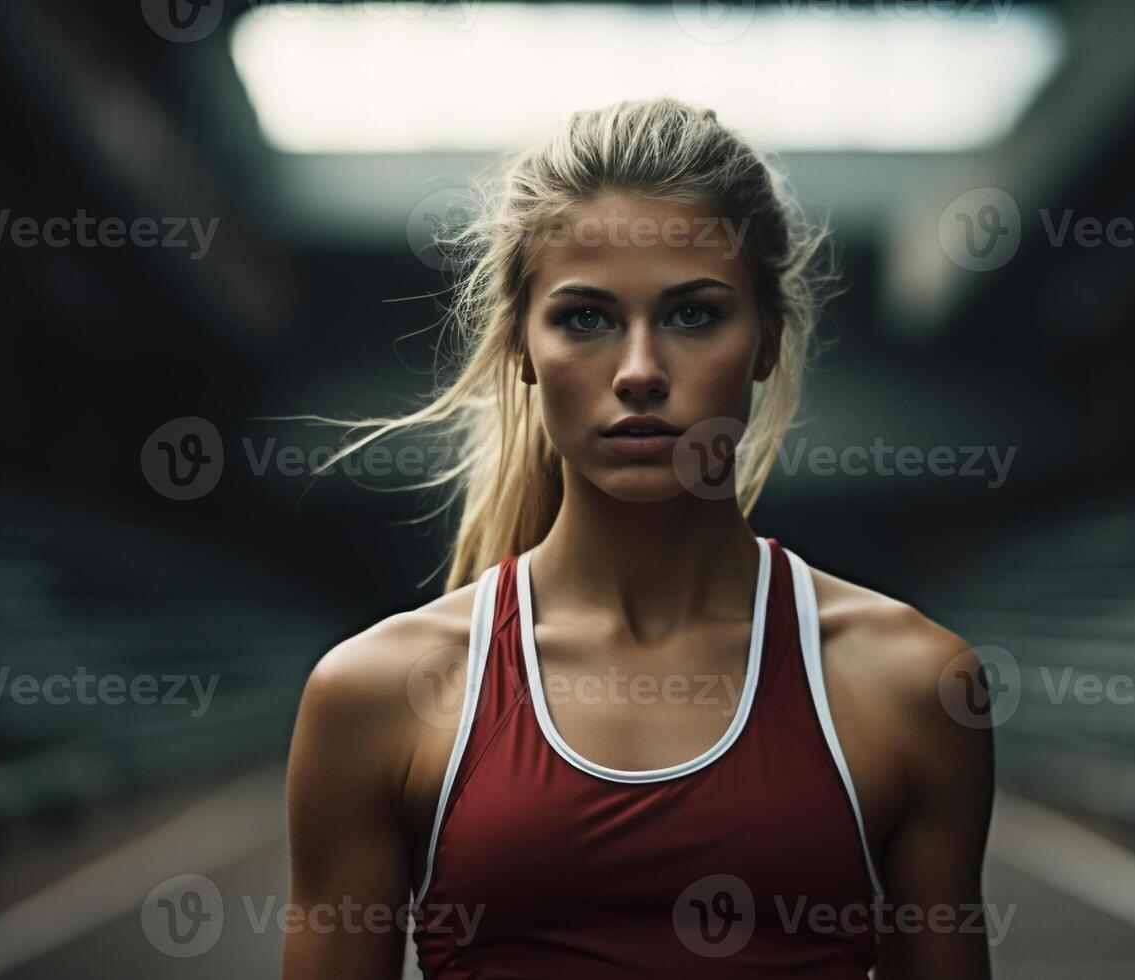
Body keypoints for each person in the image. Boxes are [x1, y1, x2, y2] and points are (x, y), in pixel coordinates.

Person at [281, 97, 994, 980]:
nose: (640, 372)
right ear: (518, 345)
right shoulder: (377, 694)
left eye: (694, 315)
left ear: (767, 337)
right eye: (585, 318)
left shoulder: (911, 685)